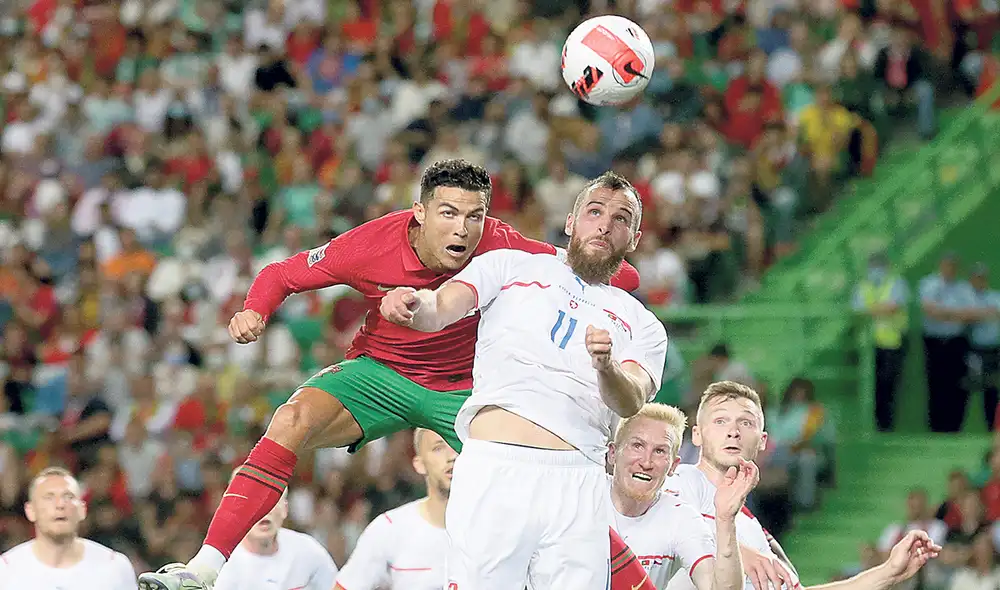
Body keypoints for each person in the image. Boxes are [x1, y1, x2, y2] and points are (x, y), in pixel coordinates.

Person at [137, 159, 647, 590]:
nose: (463, 229)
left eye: (475, 216)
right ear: (419, 214)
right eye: (448, 213)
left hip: (461, 391)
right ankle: (203, 570)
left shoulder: (502, 246)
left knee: (546, 482)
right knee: (290, 419)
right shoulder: (371, 246)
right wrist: (255, 310)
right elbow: (283, 273)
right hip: (381, 374)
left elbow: (622, 274)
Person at [380, 171, 670, 588]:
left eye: (621, 218)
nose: (605, 225)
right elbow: (440, 306)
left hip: (579, 478)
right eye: (594, 212)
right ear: (571, 221)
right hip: (496, 465)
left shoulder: (642, 324)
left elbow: (630, 401)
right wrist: (411, 304)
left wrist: (606, 367)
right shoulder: (510, 264)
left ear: (634, 238)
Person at [665, 381, 941, 590]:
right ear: (697, 435)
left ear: (762, 442)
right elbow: (655, 519)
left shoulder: (754, 532)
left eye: (745, 422)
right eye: (720, 420)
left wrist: (887, 572)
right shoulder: (675, 484)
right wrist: (733, 549)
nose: (733, 430)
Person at [609, 403, 754, 590]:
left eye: (660, 451)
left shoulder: (681, 517)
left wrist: (726, 519)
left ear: (673, 466)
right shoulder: (582, 496)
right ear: (612, 453)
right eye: (637, 446)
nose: (646, 462)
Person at [333, 428, 455, 590]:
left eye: (458, 447)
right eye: (438, 448)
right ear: (419, 465)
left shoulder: (496, 526)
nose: (452, 457)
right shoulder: (389, 529)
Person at [0, 467, 137, 590]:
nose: (60, 504)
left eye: (68, 497)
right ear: (30, 511)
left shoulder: (115, 566)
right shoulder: (6, 570)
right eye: (49, 497)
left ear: (82, 510)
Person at [213, 481, 337, 590]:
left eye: (273, 501)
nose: (264, 511)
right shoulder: (220, 567)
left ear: (285, 509)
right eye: (254, 502)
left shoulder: (307, 550)